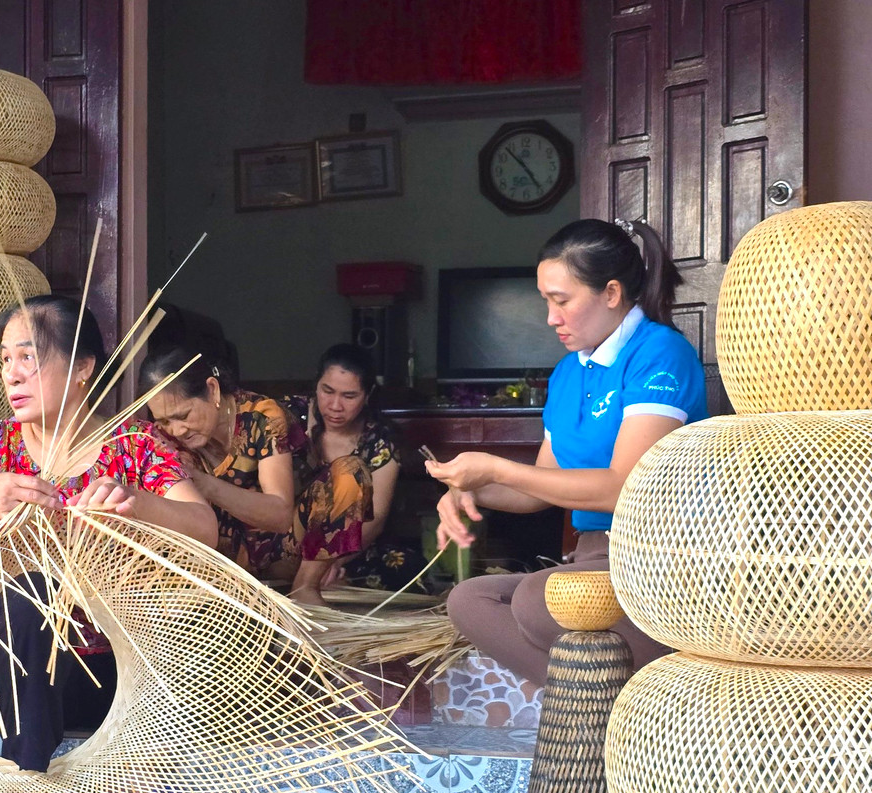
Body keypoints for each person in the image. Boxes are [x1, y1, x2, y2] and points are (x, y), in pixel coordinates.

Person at [0, 295, 216, 772]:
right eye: (5, 359)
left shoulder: (132, 447)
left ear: (83, 366)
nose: (12, 373)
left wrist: (137, 501)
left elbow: (204, 529)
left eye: (29, 356)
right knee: (30, 593)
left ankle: (27, 786)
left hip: (110, 671)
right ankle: (29, 779)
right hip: (6, 671)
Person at [428, 218, 707, 686]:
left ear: (612, 293)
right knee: (469, 601)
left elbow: (623, 489)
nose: (551, 318)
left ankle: (624, 697)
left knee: (537, 602)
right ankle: (608, 703)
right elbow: (540, 488)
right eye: (546, 301)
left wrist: (497, 467)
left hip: (658, 562)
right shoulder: (568, 373)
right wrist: (472, 489)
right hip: (593, 561)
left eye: (562, 301)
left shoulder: (659, 354)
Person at [138, 346, 297, 575]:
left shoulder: (263, 417)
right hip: (228, 561)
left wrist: (204, 483)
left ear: (212, 390)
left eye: (183, 416)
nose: (177, 430)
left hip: (286, 545)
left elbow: (281, 515)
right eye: (164, 421)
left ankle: (306, 585)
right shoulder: (163, 438)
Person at [275, 344, 402, 606]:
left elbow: (375, 520)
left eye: (349, 396)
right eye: (327, 391)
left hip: (347, 547)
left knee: (399, 567)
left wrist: (330, 560)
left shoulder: (378, 441)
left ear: (368, 395)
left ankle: (307, 584)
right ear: (316, 385)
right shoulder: (286, 416)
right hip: (284, 536)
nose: (335, 406)